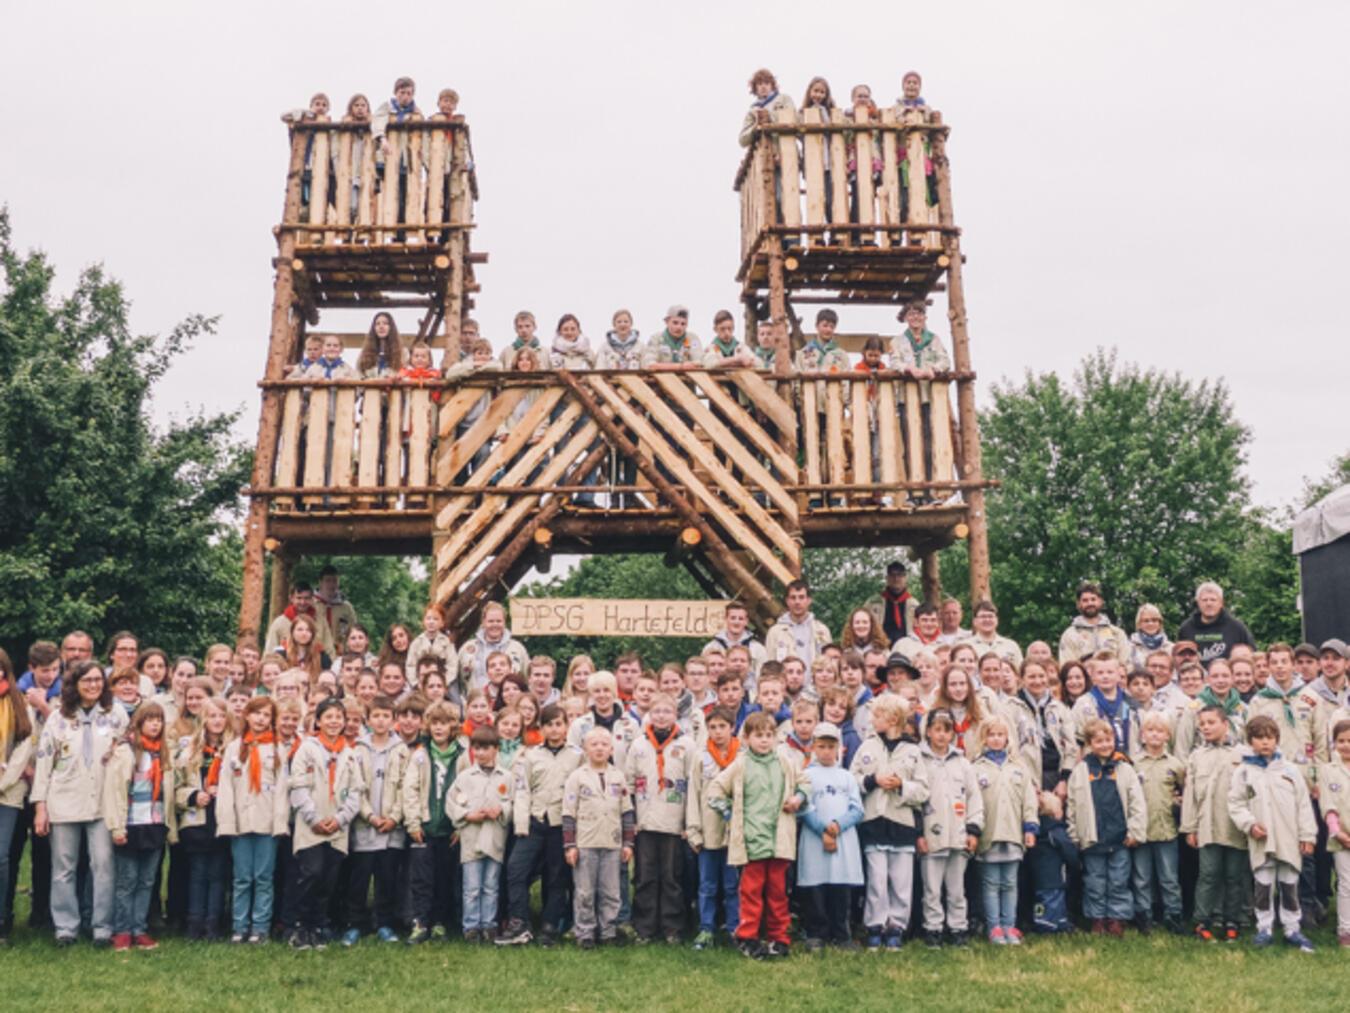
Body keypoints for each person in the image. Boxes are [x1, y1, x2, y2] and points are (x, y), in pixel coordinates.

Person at [32, 660, 127, 947]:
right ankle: (66, 927)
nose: (93, 685)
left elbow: (126, 756)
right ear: (75, 684)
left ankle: (101, 927)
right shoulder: (58, 717)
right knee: (64, 867)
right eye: (87, 680)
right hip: (64, 799)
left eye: (98, 680)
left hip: (101, 801)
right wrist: (40, 806)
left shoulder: (115, 714)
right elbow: (44, 762)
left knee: (103, 864)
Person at [706, 711, 809, 959]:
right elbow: (715, 790)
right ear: (747, 738)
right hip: (752, 840)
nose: (764, 741)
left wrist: (797, 799)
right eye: (758, 736)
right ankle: (748, 937)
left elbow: (805, 783)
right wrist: (732, 814)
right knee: (750, 893)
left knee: (778, 892)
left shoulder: (784, 762)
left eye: (769, 735)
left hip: (778, 840)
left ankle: (779, 937)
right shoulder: (740, 764)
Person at [1227, 715, 1318, 951]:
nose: (1264, 743)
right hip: (1262, 839)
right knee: (1263, 885)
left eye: (1269, 737)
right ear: (1250, 741)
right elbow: (1236, 803)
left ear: (1276, 739)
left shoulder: (1290, 770)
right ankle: (1264, 928)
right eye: (1258, 738)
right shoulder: (1244, 771)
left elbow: (1303, 804)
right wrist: (1249, 824)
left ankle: (1292, 928)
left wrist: (1307, 835)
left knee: (1289, 884)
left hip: (1288, 838)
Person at [850, 694, 927, 949]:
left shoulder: (913, 751)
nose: (872, 720)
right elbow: (853, 780)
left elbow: (923, 790)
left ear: (893, 719)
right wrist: (872, 781)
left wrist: (901, 784)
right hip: (874, 821)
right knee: (877, 878)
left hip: (902, 823)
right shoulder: (867, 747)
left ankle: (897, 926)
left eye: (877, 716)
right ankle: (875, 925)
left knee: (901, 880)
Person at [499, 703, 577, 947]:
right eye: (549, 725)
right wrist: (521, 824)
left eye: (558, 724)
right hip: (534, 820)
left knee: (556, 877)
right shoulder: (531, 756)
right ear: (541, 729)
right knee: (515, 870)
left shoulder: (577, 755)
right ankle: (520, 922)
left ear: (566, 727)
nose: (554, 730)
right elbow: (523, 791)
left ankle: (549, 925)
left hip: (561, 823)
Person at [288, 697, 362, 950]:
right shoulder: (307, 749)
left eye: (338, 717)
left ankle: (319, 925)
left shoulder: (350, 754)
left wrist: (340, 819)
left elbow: (355, 792)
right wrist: (314, 819)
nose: (334, 722)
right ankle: (300, 926)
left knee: (328, 878)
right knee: (311, 873)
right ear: (318, 721)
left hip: (337, 826)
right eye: (328, 717)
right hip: (312, 825)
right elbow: (297, 786)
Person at [625, 694, 699, 944]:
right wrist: (631, 818)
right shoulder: (638, 745)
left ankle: (672, 927)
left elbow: (693, 785)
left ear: (675, 715)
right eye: (656, 711)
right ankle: (645, 927)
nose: (661, 716)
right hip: (645, 821)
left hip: (674, 822)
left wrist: (689, 823)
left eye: (666, 711)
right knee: (646, 876)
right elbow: (629, 784)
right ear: (649, 714)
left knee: (671, 877)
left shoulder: (687, 745)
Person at [215, 696, 288, 944]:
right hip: (241, 822)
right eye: (256, 713)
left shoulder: (278, 749)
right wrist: (227, 822)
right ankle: (240, 926)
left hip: (267, 823)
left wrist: (280, 822)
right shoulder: (234, 748)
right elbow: (225, 787)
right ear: (246, 716)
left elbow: (282, 790)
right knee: (242, 877)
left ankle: (260, 927)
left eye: (266, 715)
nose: (260, 719)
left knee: (264, 877)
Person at [103, 702, 174, 952]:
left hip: (153, 823)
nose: (155, 724)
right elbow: (115, 791)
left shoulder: (163, 753)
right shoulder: (126, 752)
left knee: (147, 881)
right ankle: (122, 929)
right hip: (131, 823)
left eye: (159, 720)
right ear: (139, 723)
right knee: (127, 880)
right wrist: (117, 827)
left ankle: (139, 928)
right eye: (150, 719)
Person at [1066, 718, 1146, 937]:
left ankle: (1117, 918)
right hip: (1092, 837)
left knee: (1119, 880)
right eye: (1099, 741)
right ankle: (1097, 918)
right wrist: (1075, 834)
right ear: (1090, 744)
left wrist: (1135, 831)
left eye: (1108, 740)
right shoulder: (1081, 770)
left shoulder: (1125, 768)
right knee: (1095, 881)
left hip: (1120, 837)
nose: (1104, 745)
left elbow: (1137, 802)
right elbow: (1072, 805)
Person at [1178, 704, 1247, 942]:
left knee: (1234, 876)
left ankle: (1232, 919)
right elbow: (1190, 795)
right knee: (1208, 875)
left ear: (1225, 724)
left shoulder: (1242, 754)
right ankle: (1202, 920)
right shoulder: (1197, 756)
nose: (1206, 727)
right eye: (1202, 724)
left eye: (1211, 723)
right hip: (1207, 825)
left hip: (1235, 827)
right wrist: (1190, 827)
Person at [563, 727, 635, 949]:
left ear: (612, 749)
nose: (599, 748)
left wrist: (628, 843)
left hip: (612, 843)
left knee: (611, 891)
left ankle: (608, 930)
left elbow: (627, 812)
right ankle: (585, 931)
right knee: (585, 891)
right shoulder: (577, 777)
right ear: (585, 749)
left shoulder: (618, 777)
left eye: (604, 744)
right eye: (594, 744)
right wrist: (570, 845)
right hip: (586, 843)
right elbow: (568, 813)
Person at [916, 708, 983, 947]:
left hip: (958, 834)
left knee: (957, 888)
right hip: (931, 834)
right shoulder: (919, 760)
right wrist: (917, 833)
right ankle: (932, 927)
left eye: (947, 730)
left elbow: (974, 797)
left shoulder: (962, 762)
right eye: (937, 730)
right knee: (932, 888)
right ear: (928, 731)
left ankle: (958, 927)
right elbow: (915, 799)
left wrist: (973, 830)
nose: (942, 736)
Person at [345, 695, 407, 945]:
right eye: (376, 716)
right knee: (359, 880)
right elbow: (354, 787)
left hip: (391, 829)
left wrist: (393, 817)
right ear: (367, 720)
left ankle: (384, 923)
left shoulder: (402, 750)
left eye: (386, 716)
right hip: (364, 827)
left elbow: (406, 787)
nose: (381, 721)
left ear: (393, 720)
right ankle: (354, 923)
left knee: (387, 879)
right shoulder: (357, 749)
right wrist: (369, 815)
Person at [796, 722, 863, 952]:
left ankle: (841, 933)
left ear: (839, 749)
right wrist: (823, 830)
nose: (826, 751)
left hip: (842, 839)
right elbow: (804, 807)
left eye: (830, 746)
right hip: (815, 839)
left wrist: (837, 826)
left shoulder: (847, 777)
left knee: (840, 887)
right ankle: (816, 933)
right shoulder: (806, 776)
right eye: (821, 746)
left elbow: (857, 809)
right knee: (816, 886)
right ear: (813, 747)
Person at [972, 715, 1038, 945]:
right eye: (991, 735)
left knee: (1010, 882)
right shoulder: (976, 768)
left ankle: (1010, 925)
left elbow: (1029, 800)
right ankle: (994, 927)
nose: (996, 739)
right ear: (984, 738)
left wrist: (1030, 827)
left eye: (1001, 735)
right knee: (991, 883)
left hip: (1013, 833)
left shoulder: (1018, 768)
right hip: (989, 833)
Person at [403, 698, 461, 944]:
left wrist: (459, 825)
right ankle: (420, 922)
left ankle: (440, 922)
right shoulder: (420, 755)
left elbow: (466, 791)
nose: (439, 728)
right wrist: (414, 823)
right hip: (424, 828)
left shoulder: (462, 755)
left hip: (449, 829)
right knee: (421, 879)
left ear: (453, 726)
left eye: (445, 723)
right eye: (435, 723)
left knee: (445, 877)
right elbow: (410, 789)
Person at [448, 725, 512, 943]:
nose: (481, 753)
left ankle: (489, 925)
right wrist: (467, 815)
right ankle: (471, 926)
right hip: (471, 838)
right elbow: (452, 803)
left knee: (491, 886)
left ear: (496, 750)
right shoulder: (465, 777)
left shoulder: (506, 777)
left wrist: (501, 810)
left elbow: (513, 803)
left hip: (494, 838)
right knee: (472, 886)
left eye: (485, 748)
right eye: (476, 748)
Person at [690, 706, 741, 951]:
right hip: (709, 831)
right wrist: (694, 830)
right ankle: (706, 928)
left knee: (733, 885)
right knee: (707, 885)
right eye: (713, 727)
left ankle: (734, 928)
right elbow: (693, 795)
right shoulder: (701, 758)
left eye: (723, 727)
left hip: (735, 833)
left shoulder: (743, 756)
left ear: (732, 728)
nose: (718, 732)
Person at [1131, 712, 1186, 935]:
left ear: (1168, 736)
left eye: (1160, 731)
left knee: (1169, 877)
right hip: (1141, 830)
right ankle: (1143, 914)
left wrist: (1178, 801)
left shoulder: (1175, 764)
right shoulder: (1133, 763)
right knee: (1142, 877)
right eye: (1150, 730)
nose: (1155, 735)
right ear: (1142, 736)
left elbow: (1183, 790)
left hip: (1166, 830)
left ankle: (1173, 914)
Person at [0, 652, 36, 944]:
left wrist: (3, 781)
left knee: (2, 857)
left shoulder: (20, 705)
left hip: (7, 793)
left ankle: (2, 920)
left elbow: (24, 751)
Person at [1071, 652, 1140, 757]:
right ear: (1092, 676)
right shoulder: (1083, 704)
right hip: (1094, 765)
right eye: (1100, 673)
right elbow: (1077, 741)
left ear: (1118, 675)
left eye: (1110, 672)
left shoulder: (1130, 703)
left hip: (1126, 763)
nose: (1105, 676)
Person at [1319, 719, 1350, 947]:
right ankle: (1345, 929)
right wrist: (1338, 833)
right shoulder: (1328, 770)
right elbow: (1328, 805)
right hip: (1342, 839)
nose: (1346, 745)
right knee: (1346, 884)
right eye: (1341, 741)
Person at [457, 603, 529, 698]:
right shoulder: (467, 648)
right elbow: (456, 681)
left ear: (504, 622)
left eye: (498, 621)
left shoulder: (517, 648)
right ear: (483, 622)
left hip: (509, 706)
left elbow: (527, 680)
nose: (495, 625)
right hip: (476, 706)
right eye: (491, 621)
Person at [1177, 582, 1255, 663]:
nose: (1209, 603)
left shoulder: (1237, 628)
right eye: (1204, 600)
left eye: (1213, 600)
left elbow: (1252, 656)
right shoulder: (1186, 629)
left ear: (1221, 603)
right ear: (1198, 603)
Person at [1058, 582, 1131, 666]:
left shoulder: (1117, 633)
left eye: (1093, 599)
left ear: (1100, 602)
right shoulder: (1069, 635)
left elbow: (1126, 665)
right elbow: (1067, 667)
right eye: (1085, 600)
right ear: (1078, 604)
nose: (1090, 603)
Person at [765, 580, 832, 669]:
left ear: (809, 600)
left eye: (801, 597)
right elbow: (770, 665)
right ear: (787, 601)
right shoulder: (775, 632)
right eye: (793, 597)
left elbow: (830, 664)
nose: (797, 602)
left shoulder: (822, 631)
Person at [704, 601, 766, 687]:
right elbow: (704, 676)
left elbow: (762, 678)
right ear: (726, 619)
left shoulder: (758, 649)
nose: (736, 622)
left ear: (746, 621)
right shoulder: (711, 647)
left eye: (740, 619)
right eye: (733, 618)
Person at [739, 68, 796, 147]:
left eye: (766, 83)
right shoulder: (752, 111)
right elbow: (742, 141)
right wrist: (755, 127)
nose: (763, 86)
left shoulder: (784, 99)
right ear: (755, 88)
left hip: (786, 150)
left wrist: (770, 117)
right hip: (764, 155)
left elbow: (793, 120)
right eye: (759, 84)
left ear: (772, 85)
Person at [405, 604, 456, 692]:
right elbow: (410, 665)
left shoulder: (447, 642)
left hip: (442, 680)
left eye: (436, 619)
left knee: (455, 699)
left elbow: (452, 665)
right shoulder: (416, 643)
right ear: (424, 621)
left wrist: (445, 682)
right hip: (421, 682)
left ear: (442, 623)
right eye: (428, 618)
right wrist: (416, 683)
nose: (431, 622)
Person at [959, 600, 1023, 668]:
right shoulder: (964, 646)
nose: (987, 620)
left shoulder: (1011, 646)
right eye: (983, 616)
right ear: (975, 621)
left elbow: (1020, 673)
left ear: (997, 620)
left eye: (990, 616)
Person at [873, 561, 918, 646]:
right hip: (880, 648)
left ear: (905, 578)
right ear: (887, 578)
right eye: (892, 575)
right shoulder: (873, 603)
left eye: (900, 575)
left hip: (907, 649)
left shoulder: (914, 605)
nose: (896, 579)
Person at [1129, 604, 1174, 670]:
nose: (1150, 623)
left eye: (1154, 620)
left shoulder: (1171, 648)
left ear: (1160, 623)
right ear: (1139, 624)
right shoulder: (1130, 647)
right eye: (1146, 621)